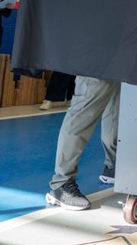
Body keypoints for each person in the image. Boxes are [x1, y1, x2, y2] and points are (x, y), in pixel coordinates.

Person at [46, 76, 120, 211]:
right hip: (97, 59)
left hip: (123, 58)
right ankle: (61, 183)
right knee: (84, 109)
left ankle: (113, 166)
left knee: (116, 105)